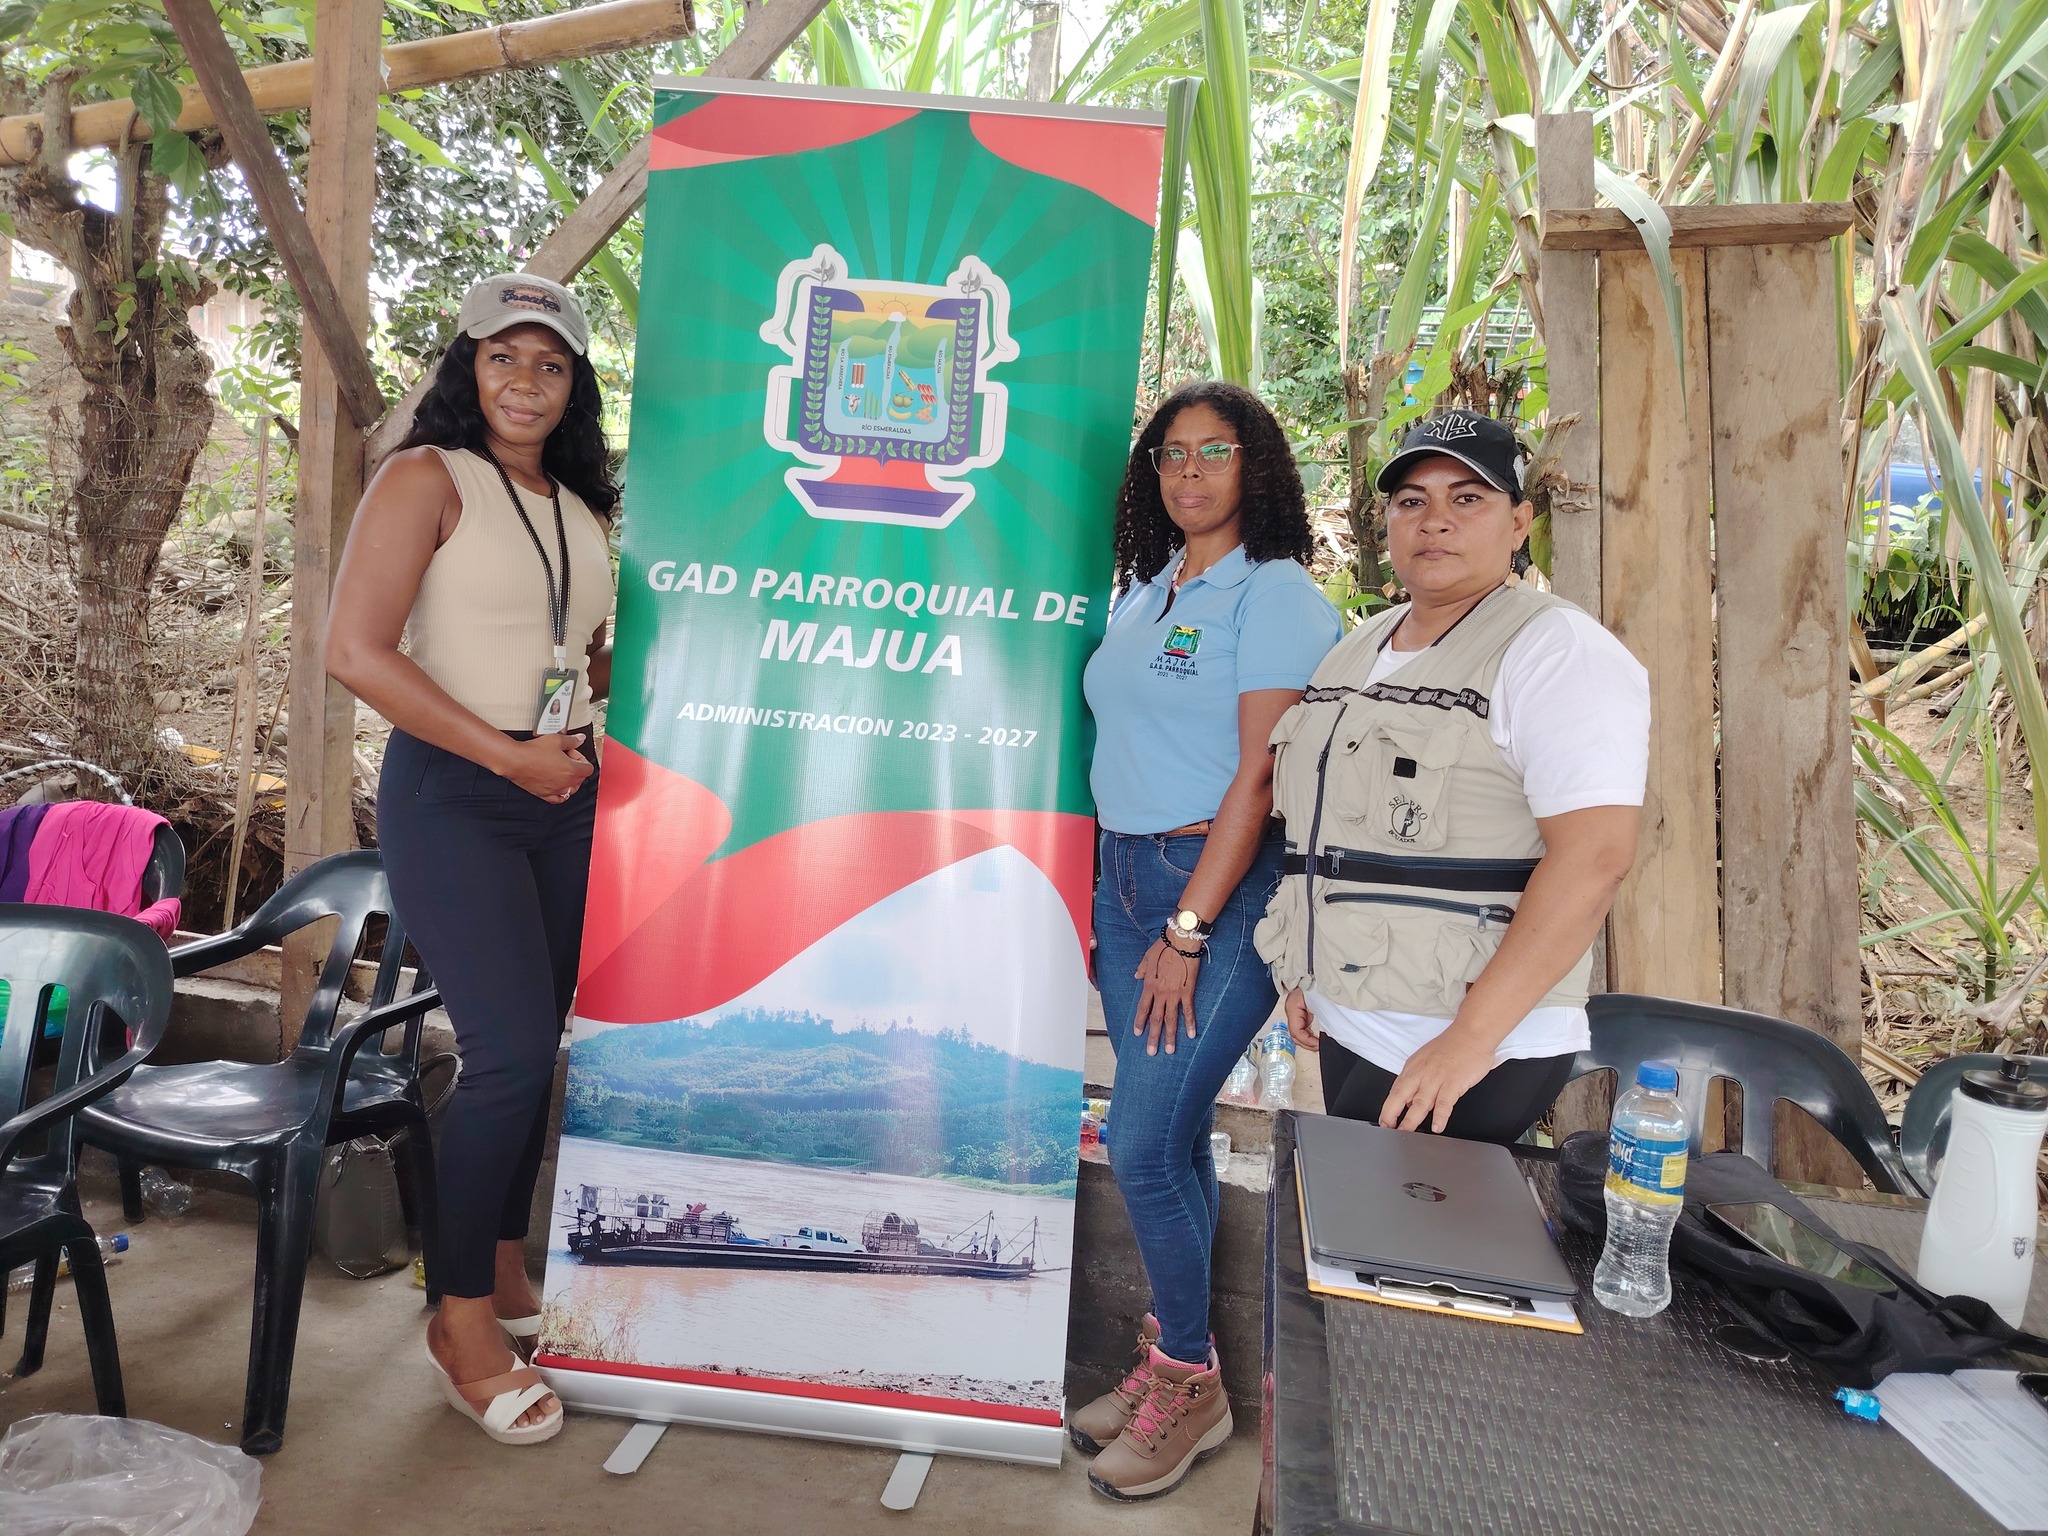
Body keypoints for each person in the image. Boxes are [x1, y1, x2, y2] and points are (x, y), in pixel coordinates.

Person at [325, 273, 618, 1447]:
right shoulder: (425, 477)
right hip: (458, 791)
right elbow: (356, 650)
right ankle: (455, 1322)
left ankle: (498, 1265)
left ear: (574, 383)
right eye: (504, 356)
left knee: (537, 1044)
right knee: (504, 1056)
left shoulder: (579, 504)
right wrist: (508, 756)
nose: (525, 381)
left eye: (550, 363)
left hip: (566, 793)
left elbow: (575, 650)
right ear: (469, 365)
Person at [1077, 380, 1341, 1501]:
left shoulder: (1274, 594)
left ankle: (1188, 1381)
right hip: (1124, 878)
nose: (1189, 472)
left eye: (1214, 451)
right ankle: (1177, 1366)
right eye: (1171, 454)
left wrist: (1188, 927)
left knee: (1139, 1142)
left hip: (1214, 894)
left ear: (1255, 466)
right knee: (1171, 1134)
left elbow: (1262, 776)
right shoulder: (1148, 588)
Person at [1257, 409, 1648, 1143]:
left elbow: (1595, 856)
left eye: (1467, 498)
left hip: (1464, 1040)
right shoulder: (1360, 648)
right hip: (1355, 1017)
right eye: (1412, 501)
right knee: (1362, 1215)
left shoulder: (1556, 650)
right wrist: (1311, 972)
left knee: (1407, 1220)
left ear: (1519, 522)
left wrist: (1470, 1038)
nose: (1435, 520)